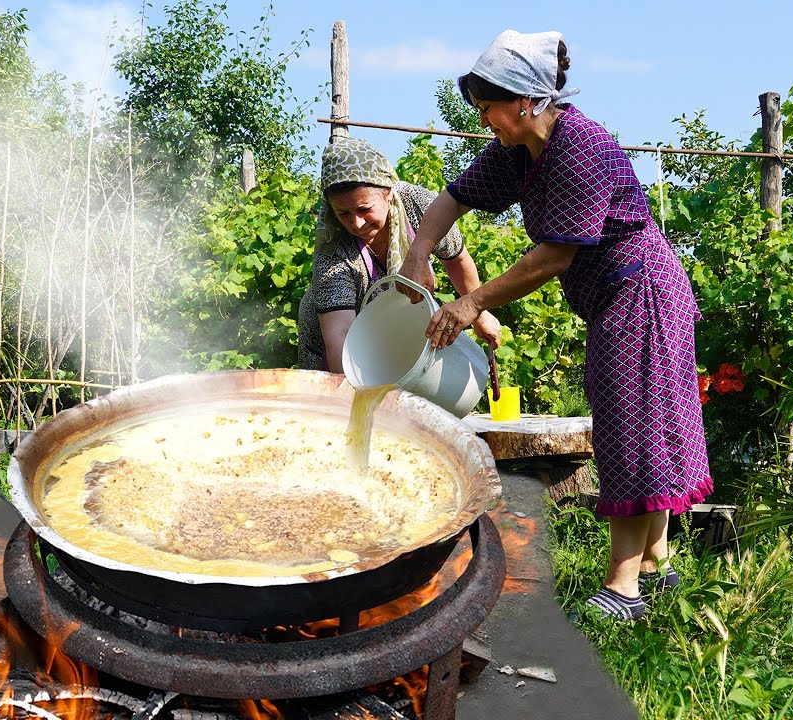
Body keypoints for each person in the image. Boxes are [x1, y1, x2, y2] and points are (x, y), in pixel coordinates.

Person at [396, 29, 711, 621]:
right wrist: (418, 253)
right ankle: (654, 563)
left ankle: (624, 591)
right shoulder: (518, 148)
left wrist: (471, 303)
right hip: (614, 296)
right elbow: (452, 197)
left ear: (524, 99)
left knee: (632, 425)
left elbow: (552, 257)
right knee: (645, 416)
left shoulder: (578, 150)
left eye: (489, 106)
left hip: (640, 292)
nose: (483, 118)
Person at [296, 136, 500, 373]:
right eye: (343, 213)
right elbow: (340, 334)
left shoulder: (419, 205)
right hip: (334, 347)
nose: (356, 223)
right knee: (342, 402)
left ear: (388, 193)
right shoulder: (333, 247)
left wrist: (480, 314)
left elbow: (456, 259)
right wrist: (354, 398)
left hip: (388, 331)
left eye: (364, 209)